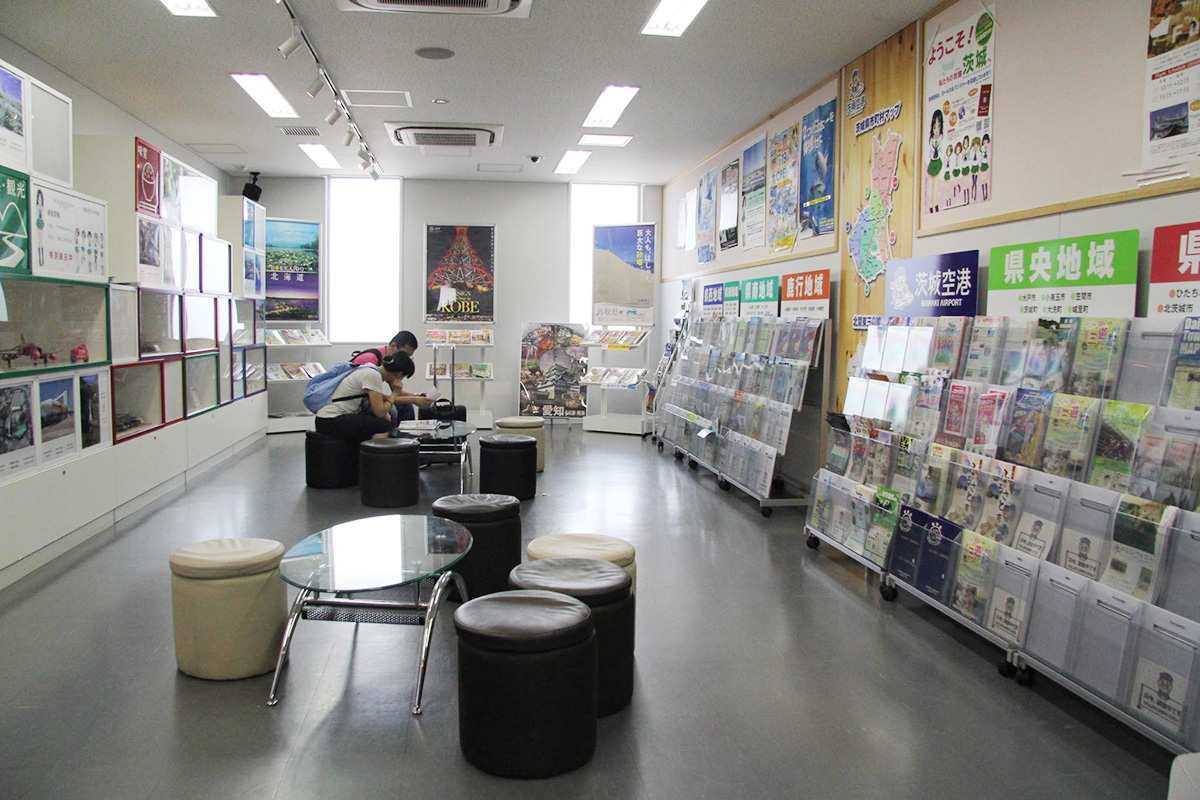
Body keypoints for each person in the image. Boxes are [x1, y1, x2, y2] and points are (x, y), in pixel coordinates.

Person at [314, 351, 415, 443]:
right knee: (383, 425)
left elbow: (382, 399)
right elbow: (380, 412)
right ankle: (375, 455)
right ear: (399, 374)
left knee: (378, 421)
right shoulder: (373, 375)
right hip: (330, 419)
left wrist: (413, 399)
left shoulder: (369, 369)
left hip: (327, 418)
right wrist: (395, 393)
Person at [350, 331, 433, 418]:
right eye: (404, 354)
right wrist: (412, 399)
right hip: (356, 401)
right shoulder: (369, 360)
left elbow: (397, 390)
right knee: (391, 410)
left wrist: (417, 397)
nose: (405, 358)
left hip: (368, 398)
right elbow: (374, 396)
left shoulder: (391, 364)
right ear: (393, 346)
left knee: (406, 405)